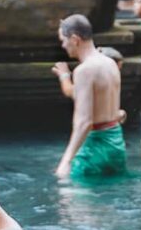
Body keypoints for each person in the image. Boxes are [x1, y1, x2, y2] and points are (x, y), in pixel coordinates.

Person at [53, 15, 127, 180]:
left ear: (75, 39)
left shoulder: (84, 70)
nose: (63, 46)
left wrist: (66, 160)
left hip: (95, 146)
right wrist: (64, 76)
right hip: (116, 142)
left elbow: (84, 122)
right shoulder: (110, 63)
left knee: (74, 201)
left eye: (63, 40)